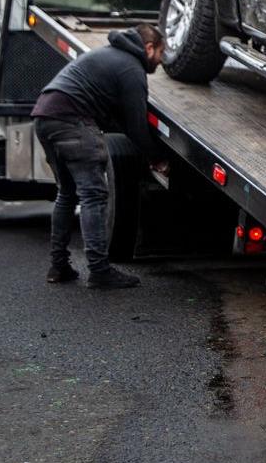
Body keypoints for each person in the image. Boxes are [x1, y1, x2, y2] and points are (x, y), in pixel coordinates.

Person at [32, 23, 168, 289]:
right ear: (149, 48)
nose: (161, 62)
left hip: (44, 116)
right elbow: (135, 125)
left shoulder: (106, 55)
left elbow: (118, 116)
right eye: (161, 53)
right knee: (93, 194)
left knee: (67, 192)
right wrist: (157, 157)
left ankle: (58, 266)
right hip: (71, 119)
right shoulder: (131, 68)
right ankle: (99, 270)